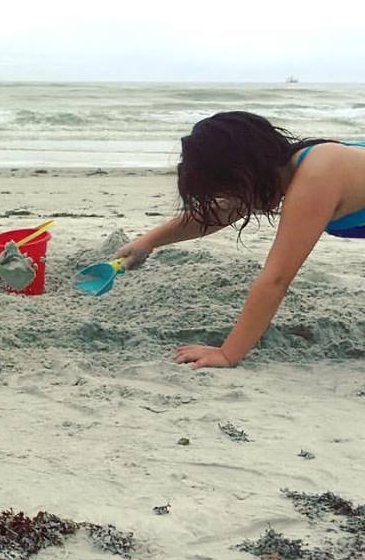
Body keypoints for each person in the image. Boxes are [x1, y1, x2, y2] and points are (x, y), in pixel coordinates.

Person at [115, 111, 365, 369]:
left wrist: (228, 354)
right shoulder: (293, 170)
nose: (234, 201)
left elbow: (276, 279)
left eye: (230, 189)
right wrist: (149, 241)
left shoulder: (318, 175)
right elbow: (219, 213)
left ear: (247, 170)